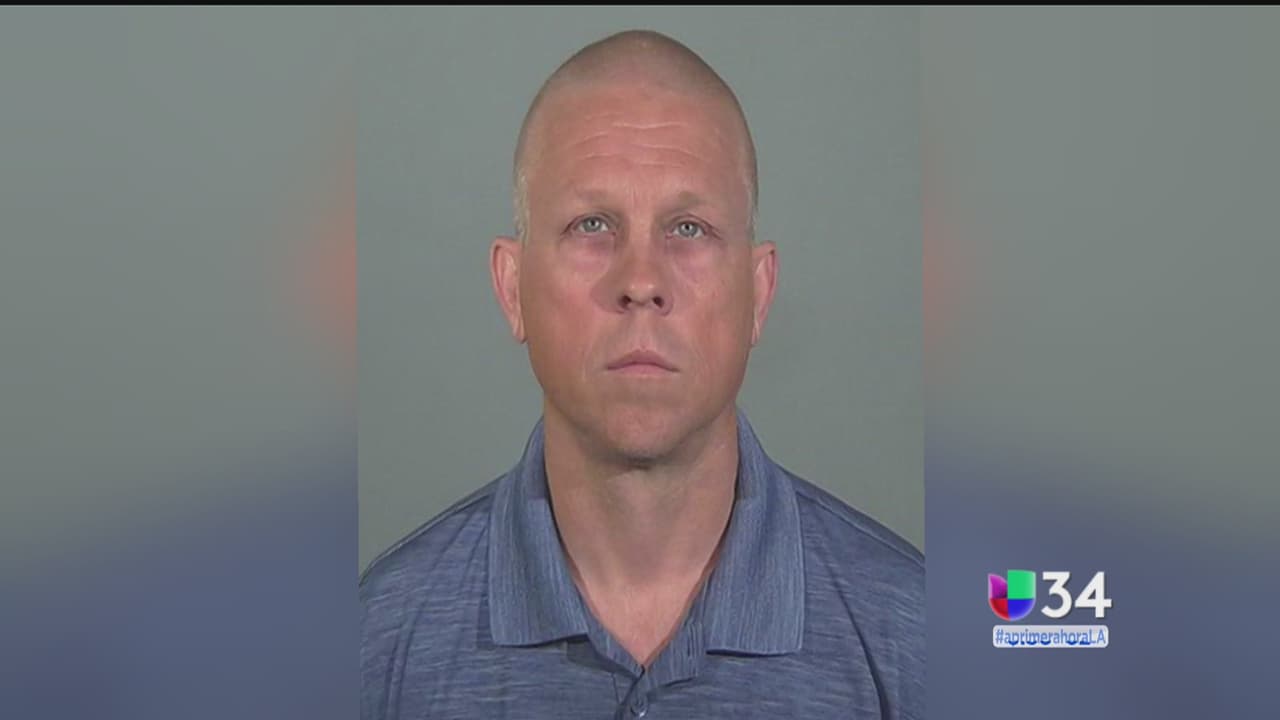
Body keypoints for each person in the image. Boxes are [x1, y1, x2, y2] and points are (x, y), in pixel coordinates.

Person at [360, 29, 924, 720]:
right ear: (512, 288)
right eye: (592, 225)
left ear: (758, 293)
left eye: (688, 229)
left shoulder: (917, 639)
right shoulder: (375, 645)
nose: (641, 281)